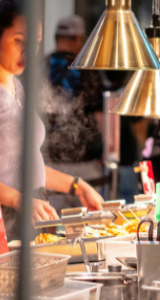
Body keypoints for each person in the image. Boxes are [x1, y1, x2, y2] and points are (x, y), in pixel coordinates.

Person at [0, 0, 104, 241]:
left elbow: (29, 165)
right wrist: (19, 199)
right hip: (3, 216)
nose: (28, 51)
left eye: (36, 41)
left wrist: (77, 185)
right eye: (19, 40)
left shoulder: (16, 86)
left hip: (33, 210)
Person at [44, 15, 107, 210]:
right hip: (86, 169)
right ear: (79, 39)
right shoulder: (87, 70)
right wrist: (106, 153)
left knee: (52, 227)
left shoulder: (40, 67)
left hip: (50, 169)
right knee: (91, 224)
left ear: (56, 38)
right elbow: (100, 117)